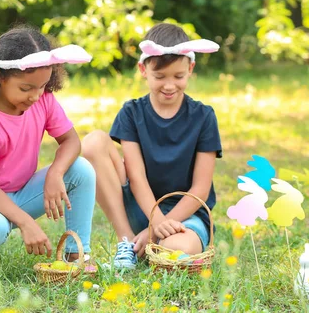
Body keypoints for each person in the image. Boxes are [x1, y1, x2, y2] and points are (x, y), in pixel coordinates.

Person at [0, 26, 96, 268]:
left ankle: (76, 255)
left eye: (42, 86)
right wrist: (28, 223)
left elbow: (71, 141)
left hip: (21, 193)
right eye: (26, 88)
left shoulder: (44, 101)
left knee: (81, 170)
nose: (36, 96)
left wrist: (56, 173)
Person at [82, 23, 222, 269]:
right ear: (143, 69)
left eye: (178, 76)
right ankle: (127, 243)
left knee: (178, 251)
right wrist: (154, 224)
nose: (169, 86)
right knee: (93, 142)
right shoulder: (131, 112)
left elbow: (200, 188)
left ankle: (151, 245)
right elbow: (135, 177)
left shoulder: (204, 116)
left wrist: (159, 230)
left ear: (191, 68)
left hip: (184, 216)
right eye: (160, 77)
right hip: (141, 208)